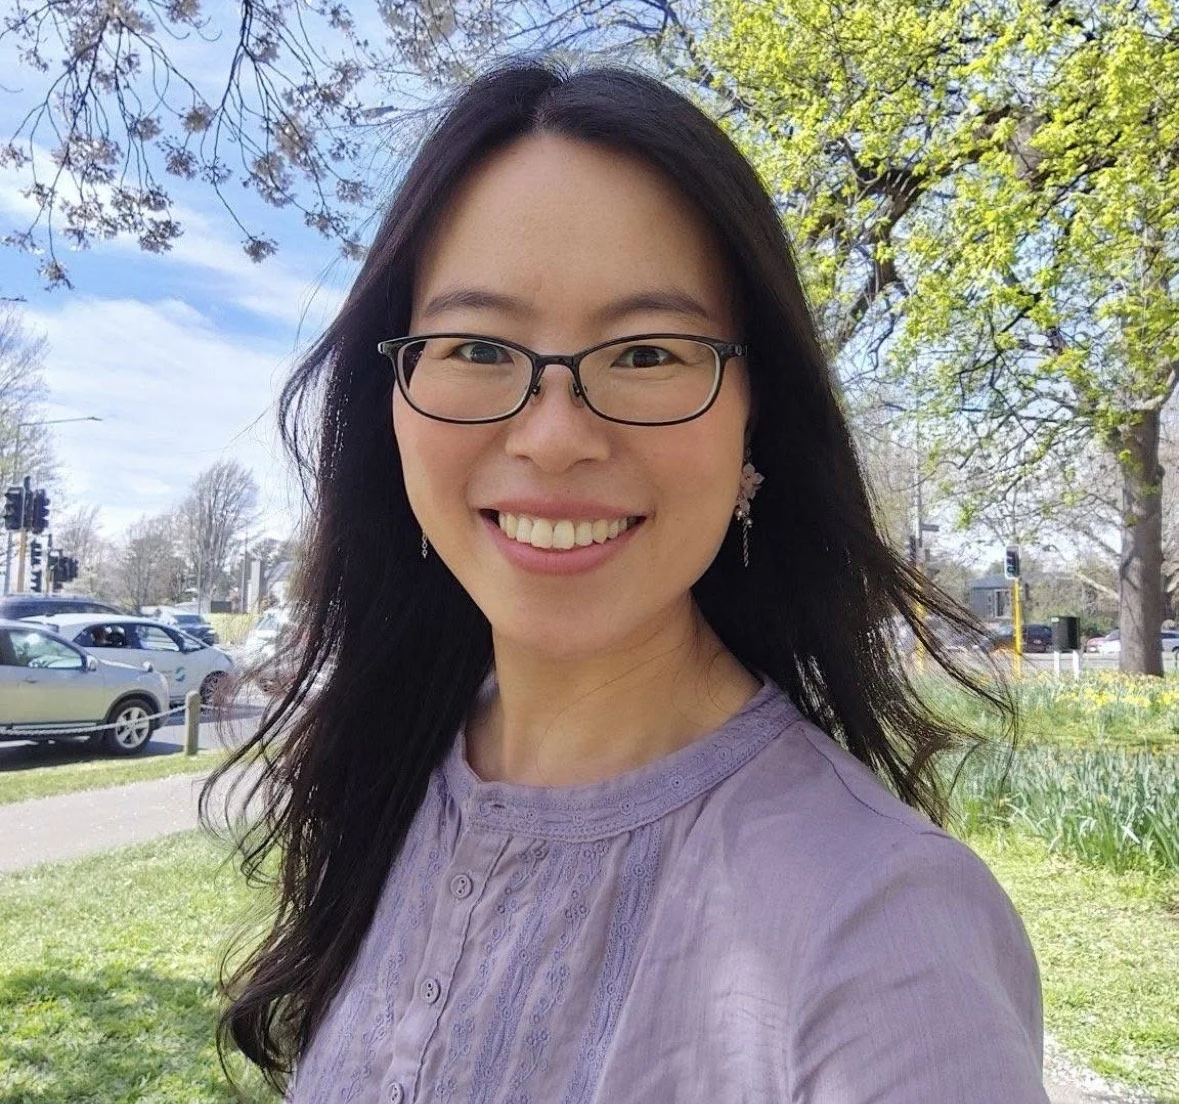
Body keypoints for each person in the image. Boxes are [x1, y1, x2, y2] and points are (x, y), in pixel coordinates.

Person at [209, 61, 1048, 1103]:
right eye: (476, 344)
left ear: (756, 425)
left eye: (647, 352)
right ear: (394, 402)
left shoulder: (884, 938)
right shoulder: (385, 769)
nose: (555, 438)